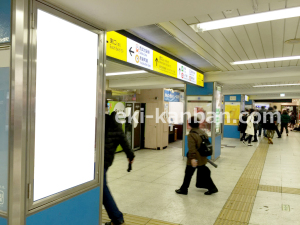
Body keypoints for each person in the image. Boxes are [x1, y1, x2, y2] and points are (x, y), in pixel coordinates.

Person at [104, 105, 135, 225]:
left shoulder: (100, 122)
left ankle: (117, 217)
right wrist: (130, 155)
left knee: (102, 188)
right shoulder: (117, 126)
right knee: (100, 187)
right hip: (107, 160)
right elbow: (124, 141)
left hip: (97, 160)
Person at [175, 116, 218, 196]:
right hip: (202, 157)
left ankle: (184, 189)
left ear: (190, 124)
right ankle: (211, 187)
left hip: (195, 158)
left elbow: (192, 149)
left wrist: (192, 159)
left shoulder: (192, 135)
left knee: (188, 173)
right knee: (203, 172)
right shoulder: (202, 132)